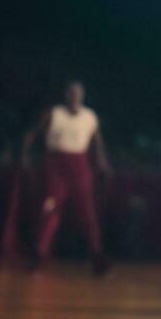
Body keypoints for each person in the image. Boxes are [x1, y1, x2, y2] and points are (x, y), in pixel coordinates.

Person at [21, 80, 112, 275]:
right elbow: (32, 134)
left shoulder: (89, 116)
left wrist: (102, 161)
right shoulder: (54, 113)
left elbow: (97, 141)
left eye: (78, 93)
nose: (74, 96)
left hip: (80, 165)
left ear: (82, 96)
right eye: (71, 92)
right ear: (65, 95)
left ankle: (96, 255)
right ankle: (39, 253)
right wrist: (25, 154)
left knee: (88, 212)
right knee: (50, 207)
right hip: (56, 165)